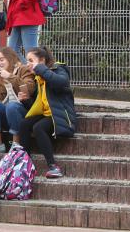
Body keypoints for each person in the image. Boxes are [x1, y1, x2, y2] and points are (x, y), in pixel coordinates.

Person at [19, 47, 76, 179]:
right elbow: (39, 105)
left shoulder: (58, 69)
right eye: (27, 61)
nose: (28, 64)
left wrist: (40, 69)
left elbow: (62, 82)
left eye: (31, 60)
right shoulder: (38, 78)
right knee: (24, 124)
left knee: (38, 127)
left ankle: (53, 166)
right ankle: (24, 164)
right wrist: (26, 100)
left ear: (42, 60)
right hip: (47, 114)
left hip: (62, 115)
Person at [0, 47, 37, 144]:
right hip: (8, 114)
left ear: (10, 58)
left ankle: (16, 144)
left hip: (24, 111)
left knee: (12, 106)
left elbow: (30, 89)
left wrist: (10, 77)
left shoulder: (23, 69)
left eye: (1, 59)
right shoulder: (0, 75)